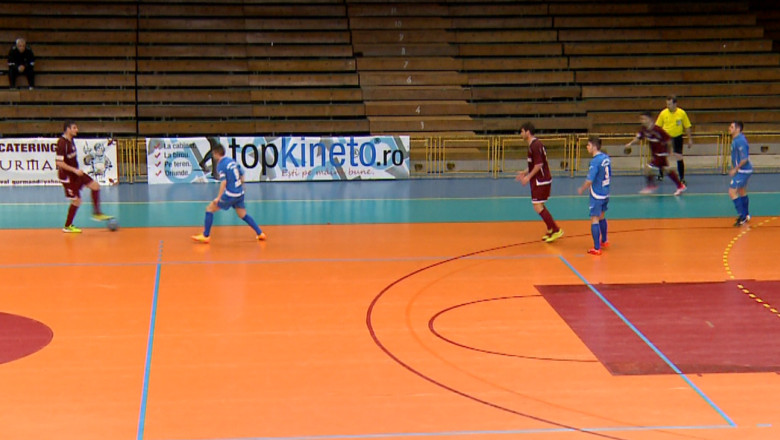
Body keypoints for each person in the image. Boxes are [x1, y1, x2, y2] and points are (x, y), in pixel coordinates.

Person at [191, 143, 266, 243]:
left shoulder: (221, 165)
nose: (213, 155)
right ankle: (260, 233)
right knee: (243, 214)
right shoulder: (232, 161)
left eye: (213, 154)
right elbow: (242, 174)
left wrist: (218, 197)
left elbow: (224, 182)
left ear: (217, 154)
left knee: (209, 209)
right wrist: (241, 186)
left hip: (230, 194)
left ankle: (206, 235)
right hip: (239, 193)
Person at [55, 121, 113, 233]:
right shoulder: (62, 143)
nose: (77, 130)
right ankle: (67, 226)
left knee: (95, 186)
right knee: (77, 201)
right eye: (74, 128)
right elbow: (59, 163)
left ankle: (97, 213)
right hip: (68, 176)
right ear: (68, 129)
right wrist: (74, 170)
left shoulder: (71, 141)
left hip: (77, 174)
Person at [515, 122, 563, 243]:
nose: (521, 134)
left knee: (537, 206)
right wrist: (525, 172)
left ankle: (556, 229)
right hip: (540, 179)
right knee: (539, 204)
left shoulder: (535, 146)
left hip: (540, 180)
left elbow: (539, 164)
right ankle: (551, 228)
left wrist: (528, 177)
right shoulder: (535, 144)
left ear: (527, 132)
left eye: (521, 131)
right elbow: (535, 164)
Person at [625, 111, 687, 196]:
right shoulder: (644, 129)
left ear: (650, 119)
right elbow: (638, 138)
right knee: (666, 170)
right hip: (655, 153)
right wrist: (630, 144)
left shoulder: (657, 130)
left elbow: (668, 140)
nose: (642, 120)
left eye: (644, 119)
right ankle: (680, 186)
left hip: (661, 153)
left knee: (647, 168)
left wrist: (670, 151)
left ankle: (651, 185)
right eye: (641, 119)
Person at [577, 136, 611, 256]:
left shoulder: (595, 161)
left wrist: (582, 188)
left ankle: (597, 248)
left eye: (588, 145)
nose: (587, 147)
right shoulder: (606, 158)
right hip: (606, 192)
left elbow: (590, 179)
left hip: (597, 193)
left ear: (594, 146)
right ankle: (604, 240)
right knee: (602, 216)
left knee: (594, 219)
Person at [656, 95, 693, 183]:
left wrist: (690, 139)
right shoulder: (663, 113)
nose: (668, 106)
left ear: (675, 104)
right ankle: (661, 174)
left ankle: (682, 178)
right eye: (667, 104)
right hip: (665, 138)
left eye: (669, 104)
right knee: (662, 156)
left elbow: (687, 127)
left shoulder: (682, 113)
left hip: (677, 137)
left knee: (679, 157)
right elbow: (657, 126)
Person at [728, 121, 753, 226]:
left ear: (738, 129)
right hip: (742, 170)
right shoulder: (735, 140)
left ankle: (742, 216)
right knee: (742, 191)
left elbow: (744, 158)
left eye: (732, 127)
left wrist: (735, 169)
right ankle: (746, 215)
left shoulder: (740, 141)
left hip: (743, 171)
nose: (729, 128)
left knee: (732, 191)